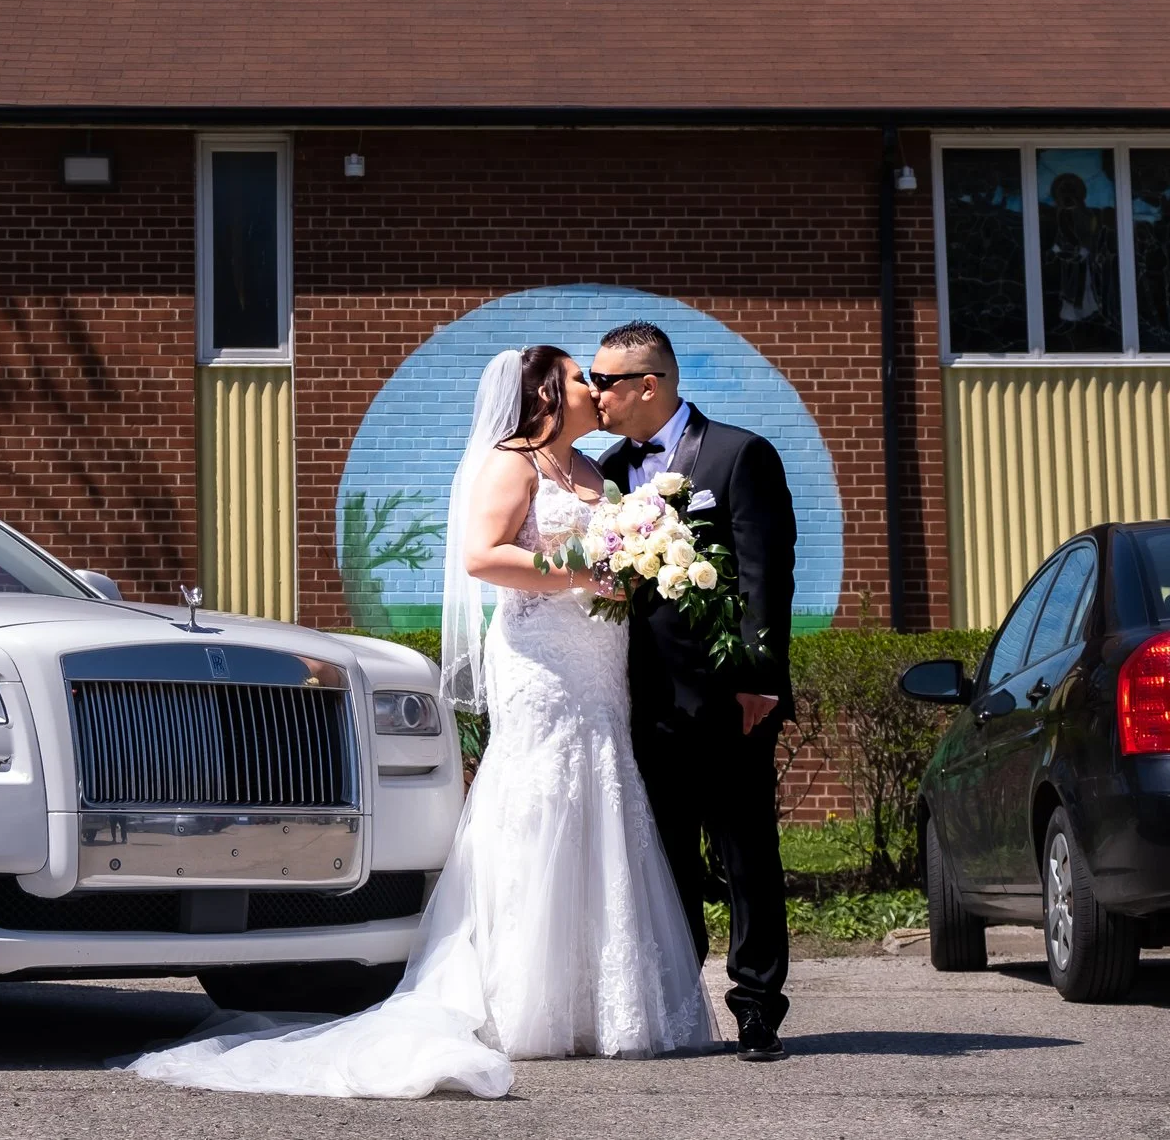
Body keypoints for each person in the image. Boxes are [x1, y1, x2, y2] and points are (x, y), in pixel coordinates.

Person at [128, 345, 714, 1098]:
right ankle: (525, 998)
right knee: (545, 799)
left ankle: (604, 1001)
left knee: (603, 797)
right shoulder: (514, 463)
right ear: (542, 391)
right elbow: (482, 554)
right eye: (577, 378)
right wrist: (576, 573)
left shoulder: (595, 473)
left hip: (599, 662)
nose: (592, 390)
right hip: (540, 658)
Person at [590, 319, 798, 1063]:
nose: (594, 393)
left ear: (650, 384)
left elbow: (765, 579)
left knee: (746, 853)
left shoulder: (739, 455)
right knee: (669, 858)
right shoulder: (609, 469)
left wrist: (759, 683)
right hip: (645, 703)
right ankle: (682, 1002)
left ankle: (756, 1007)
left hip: (730, 701)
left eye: (605, 380)